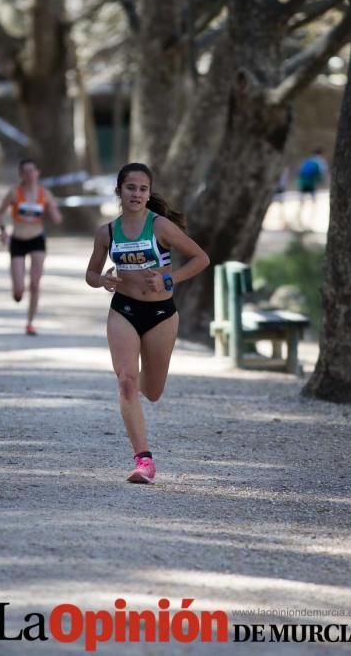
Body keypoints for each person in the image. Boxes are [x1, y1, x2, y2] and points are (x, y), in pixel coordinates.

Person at [85, 162, 210, 484]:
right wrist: (103, 280)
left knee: (152, 392)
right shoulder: (107, 232)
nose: (136, 194)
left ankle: (138, 397)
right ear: (119, 191)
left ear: (148, 193)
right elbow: (91, 274)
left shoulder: (161, 227)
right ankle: (144, 461)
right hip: (123, 310)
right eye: (130, 188)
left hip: (160, 315)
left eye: (142, 189)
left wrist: (169, 277)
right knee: (127, 381)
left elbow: (201, 259)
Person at [0, 158, 63, 335]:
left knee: (35, 284)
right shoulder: (14, 193)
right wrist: (2, 231)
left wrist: (52, 212)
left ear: (38, 173)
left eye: (32, 170)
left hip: (37, 240)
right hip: (17, 240)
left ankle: (30, 322)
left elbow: (57, 218)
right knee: (19, 291)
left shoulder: (44, 194)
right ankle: (17, 291)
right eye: (26, 171)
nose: (30, 174)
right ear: (21, 175)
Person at [297, 148, 329, 229]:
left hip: (303, 183)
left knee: (302, 202)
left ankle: (299, 220)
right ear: (321, 154)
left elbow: (300, 172)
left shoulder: (308, 160)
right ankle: (310, 221)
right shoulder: (319, 162)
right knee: (313, 202)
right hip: (312, 184)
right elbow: (321, 174)